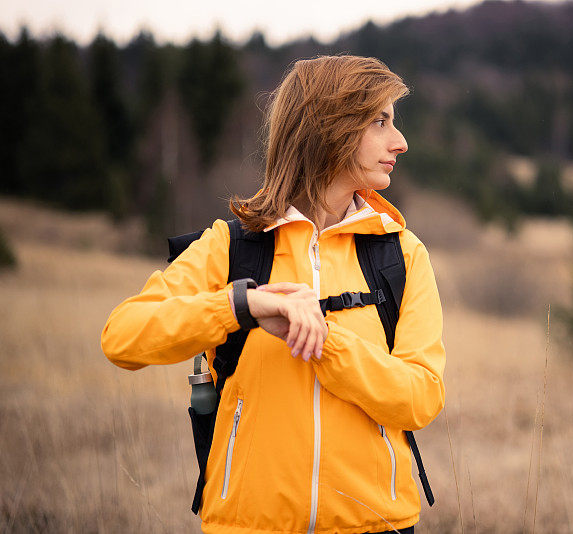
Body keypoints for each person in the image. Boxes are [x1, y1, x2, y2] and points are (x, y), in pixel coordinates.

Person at [100, 54, 446, 534]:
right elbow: (122, 337)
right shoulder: (231, 244)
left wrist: (323, 343)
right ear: (330, 128)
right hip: (248, 524)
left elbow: (421, 399)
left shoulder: (402, 255)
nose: (400, 142)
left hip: (377, 525)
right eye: (380, 122)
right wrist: (241, 304)